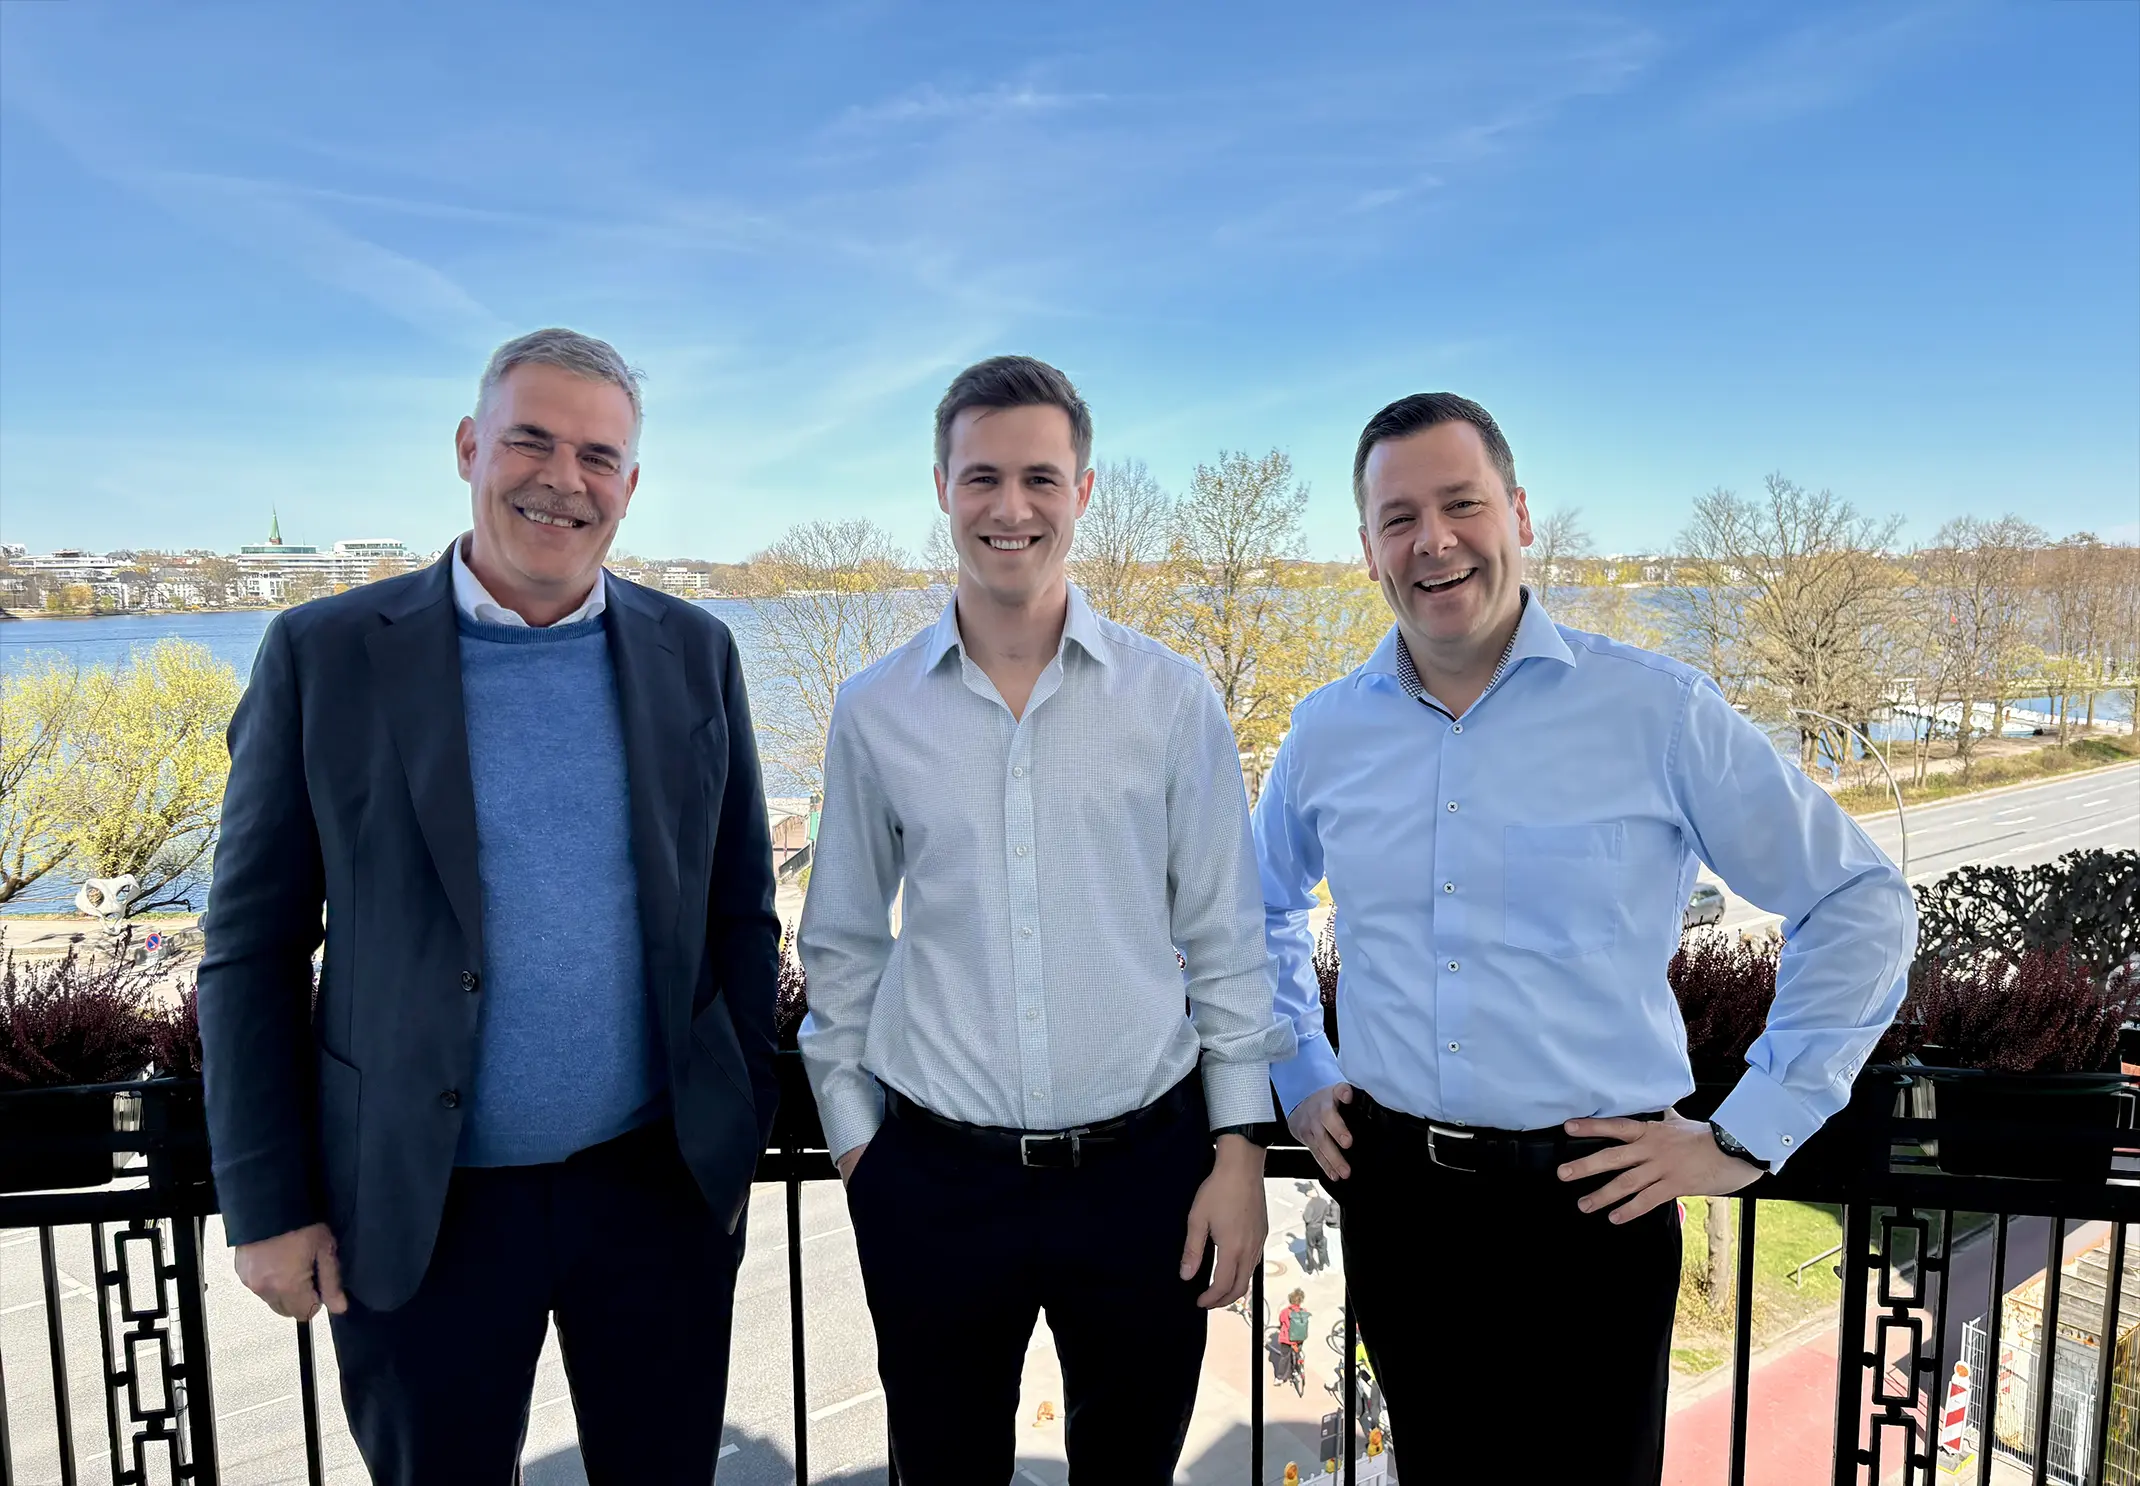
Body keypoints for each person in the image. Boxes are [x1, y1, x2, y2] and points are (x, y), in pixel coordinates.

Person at [1255, 393, 1914, 1484]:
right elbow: (1253, 905)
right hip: (1400, 1209)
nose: (1434, 540)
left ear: (1516, 511)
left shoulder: (1653, 711)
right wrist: (1297, 1064)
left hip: (1592, 1208)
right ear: (1365, 546)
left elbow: (1858, 900)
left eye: (1461, 503)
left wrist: (1746, 1133)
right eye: (1398, 516)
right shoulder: (1325, 732)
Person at [197, 328, 780, 1484]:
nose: (562, 479)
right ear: (470, 446)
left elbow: (741, 908)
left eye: (598, 455)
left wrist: (737, 1113)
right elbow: (251, 947)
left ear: (629, 484)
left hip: (652, 1191)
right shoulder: (326, 656)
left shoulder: (694, 651)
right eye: (530, 439)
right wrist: (265, 1203)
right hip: (422, 1204)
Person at [798, 355, 1293, 1484]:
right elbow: (840, 943)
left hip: (1144, 1180)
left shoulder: (1172, 699)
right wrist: (860, 1148)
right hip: (933, 1178)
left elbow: (1225, 938)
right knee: (943, 1470)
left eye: (1038, 476)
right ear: (940, 487)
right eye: (981, 477)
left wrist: (1236, 1154)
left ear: (1083, 489)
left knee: (1129, 1473)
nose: (1009, 507)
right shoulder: (873, 711)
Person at [1277, 1288, 1312, 1378]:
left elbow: (1281, 1321)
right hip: (1299, 1338)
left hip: (1287, 1339)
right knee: (1297, 1352)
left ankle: (1280, 1377)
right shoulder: (1304, 1311)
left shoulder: (1285, 1312)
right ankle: (1297, 1370)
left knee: (1284, 1357)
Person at [1302, 1187, 1332, 1273]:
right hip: (1319, 1228)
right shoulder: (1324, 1202)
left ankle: (1310, 1268)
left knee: (1310, 1248)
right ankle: (1321, 1265)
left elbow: (1307, 1218)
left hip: (1311, 1229)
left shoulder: (1310, 1204)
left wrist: (1303, 1214)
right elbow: (1326, 1213)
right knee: (1321, 1247)